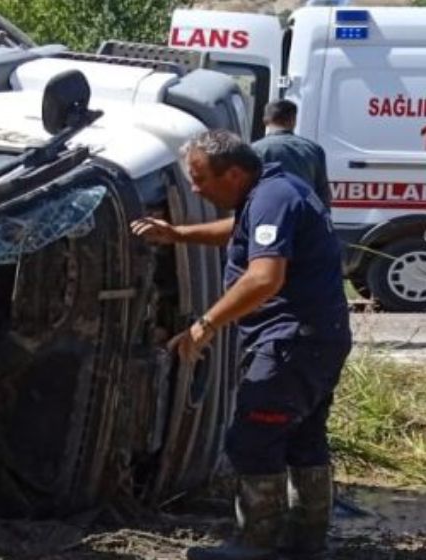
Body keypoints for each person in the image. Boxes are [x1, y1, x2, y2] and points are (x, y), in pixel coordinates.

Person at [131, 130, 351, 560]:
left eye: (199, 178)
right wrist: (178, 234)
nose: (194, 188)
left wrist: (206, 324)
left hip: (291, 342)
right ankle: (307, 542)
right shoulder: (275, 191)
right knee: (302, 438)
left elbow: (264, 277)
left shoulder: (272, 197)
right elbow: (240, 230)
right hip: (316, 340)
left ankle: (257, 545)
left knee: (254, 438)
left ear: (233, 173)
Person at [252, 100, 332, 210]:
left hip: (267, 214)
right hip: (304, 215)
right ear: (293, 120)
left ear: (265, 120)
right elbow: (323, 193)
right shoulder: (314, 149)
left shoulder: (255, 150)